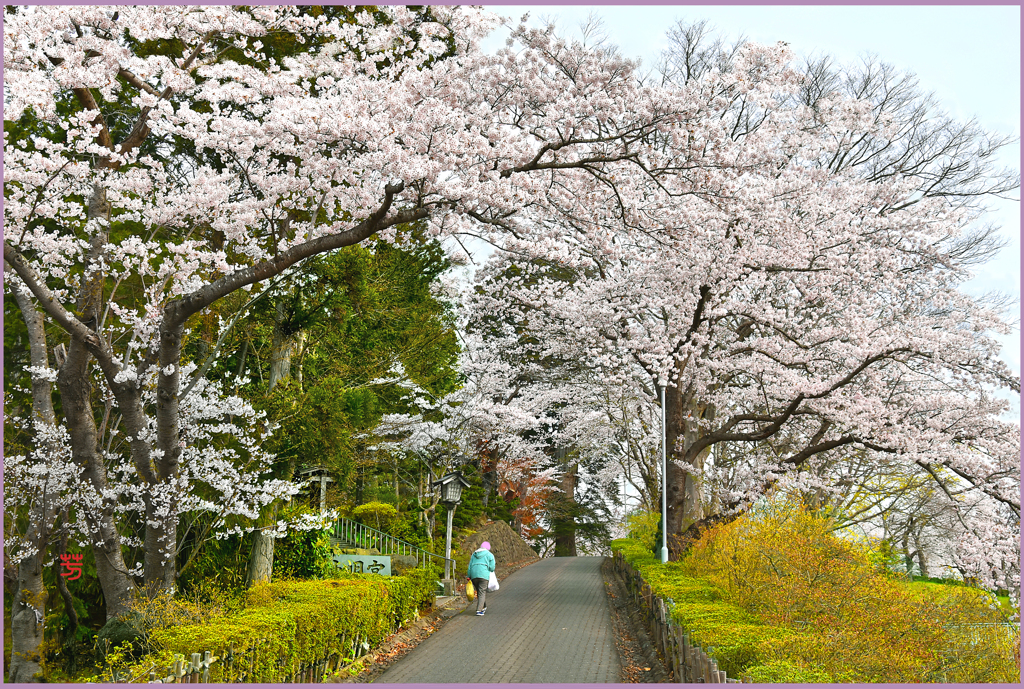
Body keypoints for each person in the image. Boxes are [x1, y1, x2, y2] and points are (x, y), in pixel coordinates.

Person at [466, 541, 496, 616]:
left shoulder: (474, 554)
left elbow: (470, 566)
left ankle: (484, 606)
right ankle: (479, 610)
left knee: (480, 592)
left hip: (474, 575)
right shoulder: (489, 554)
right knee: (482, 592)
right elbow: (492, 568)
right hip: (483, 575)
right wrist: (488, 568)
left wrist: (469, 576)